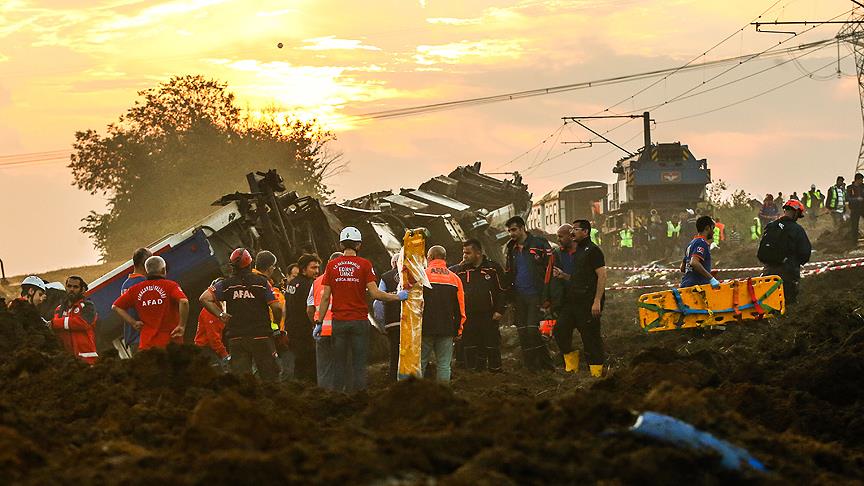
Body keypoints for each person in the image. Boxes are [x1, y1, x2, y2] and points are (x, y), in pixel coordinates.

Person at [315, 227, 407, 392]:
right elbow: (375, 293)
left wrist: (319, 322)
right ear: (359, 245)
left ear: (341, 244)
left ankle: (338, 396)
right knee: (358, 362)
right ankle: (359, 396)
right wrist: (398, 297)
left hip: (339, 322)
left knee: (339, 361)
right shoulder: (365, 265)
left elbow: (325, 297)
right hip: (358, 321)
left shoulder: (331, 266)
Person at [200, 249, 282, 381]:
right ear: (250, 263)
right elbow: (277, 307)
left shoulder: (226, 284)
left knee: (243, 381)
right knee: (271, 378)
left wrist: (220, 314)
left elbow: (204, 298)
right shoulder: (261, 283)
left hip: (236, 339)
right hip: (260, 336)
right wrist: (276, 325)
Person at [553, 220, 607, 377]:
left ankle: (596, 373)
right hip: (572, 301)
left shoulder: (593, 251)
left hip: (588, 302)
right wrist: (564, 276)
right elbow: (579, 278)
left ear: (586, 232)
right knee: (560, 330)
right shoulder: (578, 252)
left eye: (575, 230)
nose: (572, 233)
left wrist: (597, 301)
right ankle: (572, 366)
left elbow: (602, 276)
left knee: (591, 338)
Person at [504, 216, 554, 372]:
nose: (511, 234)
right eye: (509, 231)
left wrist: (548, 295)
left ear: (522, 228)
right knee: (522, 332)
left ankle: (547, 365)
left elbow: (550, 267)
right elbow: (509, 271)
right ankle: (530, 367)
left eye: (513, 230)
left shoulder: (539, 244)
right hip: (519, 295)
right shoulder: (511, 248)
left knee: (532, 330)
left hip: (535, 294)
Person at [113, 256, 189, 351]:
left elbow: (116, 306)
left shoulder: (135, 289)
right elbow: (184, 301)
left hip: (147, 344)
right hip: (171, 342)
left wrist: (134, 323)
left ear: (146, 271)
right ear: (163, 270)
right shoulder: (171, 285)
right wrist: (182, 325)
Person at [453, 239, 505, 372]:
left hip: (489, 314)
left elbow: (502, 290)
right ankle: (474, 372)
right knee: (470, 344)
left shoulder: (493, 268)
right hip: (468, 315)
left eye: (468, 253)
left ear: (478, 253)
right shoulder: (461, 270)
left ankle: (496, 371)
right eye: (463, 252)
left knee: (491, 343)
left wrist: (500, 310)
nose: (464, 256)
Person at [419, 246, 465, 383]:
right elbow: (460, 308)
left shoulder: (421, 276)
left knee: (420, 363)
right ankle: (443, 396)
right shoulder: (455, 279)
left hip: (424, 328)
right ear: (444, 258)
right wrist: (459, 329)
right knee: (444, 365)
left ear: (430, 258)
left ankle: (416, 395)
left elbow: (415, 305)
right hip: (447, 329)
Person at [758, 200, 811, 305]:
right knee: (789, 306)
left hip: (768, 273)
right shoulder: (797, 229)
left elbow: (762, 251)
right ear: (796, 213)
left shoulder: (771, 226)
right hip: (788, 274)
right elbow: (805, 253)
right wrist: (796, 262)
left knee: (768, 304)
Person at [251, 251, 288, 377]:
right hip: (265, 333)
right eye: (273, 266)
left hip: (251, 332)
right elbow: (276, 309)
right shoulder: (262, 283)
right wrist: (277, 328)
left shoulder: (250, 280)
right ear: (269, 267)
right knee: (272, 370)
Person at [285, 253, 321, 382]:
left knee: (299, 364)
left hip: (293, 329)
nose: (317, 271)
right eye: (313, 268)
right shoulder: (309, 285)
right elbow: (311, 309)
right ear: (303, 269)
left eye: (317, 267)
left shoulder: (292, 283)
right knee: (310, 366)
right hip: (305, 331)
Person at [309, 252, 342, 390]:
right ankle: (344, 397)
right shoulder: (347, 281)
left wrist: (316, 323)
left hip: (322, 331)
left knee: (324, 369)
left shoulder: (316, 283)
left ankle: (324, 398)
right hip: (341, 329)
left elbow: (309, 309)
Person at [51, 276, 98, 364]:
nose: (72, 289)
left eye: (75, 287)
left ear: (82, 290)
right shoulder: (59, 309)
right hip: (69, 361)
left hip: (87, 359)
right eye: (69, 286)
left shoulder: (88, 306)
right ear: (65, 288)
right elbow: (56, 329)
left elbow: (83, 323)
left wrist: (55, 323)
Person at [7, 276, 57, 350]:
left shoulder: (12, 307)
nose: (41, 299)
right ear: (31, 291)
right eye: (40, 294)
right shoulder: (26, 311)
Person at [373, 254, 402, 381]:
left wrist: (381, 324)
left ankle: (393, 378)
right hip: (412, 322)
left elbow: (378, 302)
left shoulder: (385, 277)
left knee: (395, 351)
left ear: (393, 263)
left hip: (393, 322)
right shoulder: (414, 275)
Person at [119, 247, 152, 355]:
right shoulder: (143, 283)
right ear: (145, 263)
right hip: (145, 339)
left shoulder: (126, 284)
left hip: (133, 338)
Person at [194, 278, 229, 369]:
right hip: (206, 349)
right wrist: (225, 355)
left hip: (214, 348)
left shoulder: (222, 307)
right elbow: (213, 338)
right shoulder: (209, 311)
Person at [680, 216, 720, 289]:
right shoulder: (702, 243)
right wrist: (711, 278)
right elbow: (694, 262)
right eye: (713, 228)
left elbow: (682, 268)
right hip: (696, 288)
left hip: (685, 285)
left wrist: (706, 270)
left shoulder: (691, 243)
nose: (714, 232)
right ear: (707, 228)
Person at [848, 173, 864, 244]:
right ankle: (854, 242)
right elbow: (848, 198)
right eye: (861, 180)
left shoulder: (863, 187)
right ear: (857, 180)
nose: (862, 181)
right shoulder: (850, 188)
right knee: (854, 225)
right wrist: (857, 199)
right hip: (854, 208)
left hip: (863, 208)